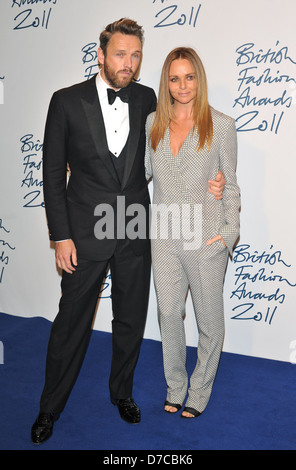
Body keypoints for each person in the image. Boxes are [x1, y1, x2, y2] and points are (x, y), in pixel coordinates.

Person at [31, 19, 225, 444]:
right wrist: (61, 235)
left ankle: (122, 393)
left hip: (137, 226)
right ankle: (49, 408)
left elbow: (170, 160)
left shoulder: (147, 99)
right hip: (85, 230)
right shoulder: (65, 101)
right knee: (71, 323)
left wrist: (217, 186)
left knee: (131, 320)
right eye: (120, 54)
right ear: (100, 55)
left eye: (136, 55)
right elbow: (50, 173)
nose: (129, 63)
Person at [145, 47, 240, 418]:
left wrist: (228, 234)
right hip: (164, 236)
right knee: (168, 315)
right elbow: (140, 177)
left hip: (205, 238)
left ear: (198, 78)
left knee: (208, 323)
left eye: (189, 77)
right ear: (166, 82)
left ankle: (199, 390)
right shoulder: (154, 122)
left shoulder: (222, 125)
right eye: (174, 78)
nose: (182, 85)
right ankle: (175, 385)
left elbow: (229, 185)